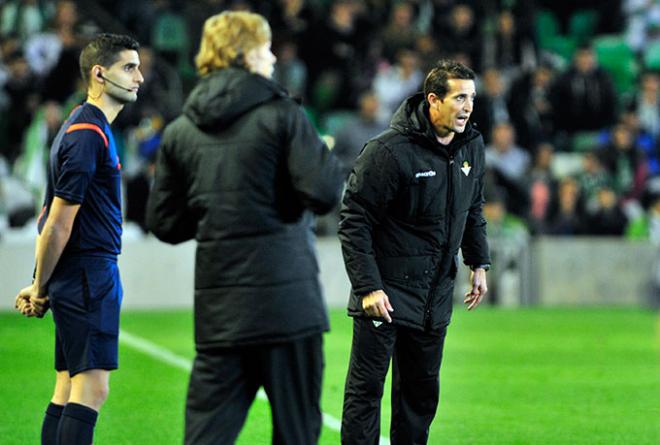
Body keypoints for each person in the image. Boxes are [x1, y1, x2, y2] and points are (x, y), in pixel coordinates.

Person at [145, 11, 343, 445]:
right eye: (265, 47)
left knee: (206, 436)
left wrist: (217, 210)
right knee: (296, 434)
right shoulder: (283, 115)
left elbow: (164, 223)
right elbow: (326, 192)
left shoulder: (180, 131)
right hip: (288, 307)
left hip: (222, 314)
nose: (272, 58)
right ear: (245, 53)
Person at [339, 59, 491, 444]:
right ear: (433, 100)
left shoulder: (472, 145)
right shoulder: (388, 152)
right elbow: (354, 220)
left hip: (433, 296)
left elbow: (473, 207)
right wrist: (368, 287)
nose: (468, 107)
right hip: (385, 295)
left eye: (471, 98)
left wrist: (478, 261)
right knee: (366, 393)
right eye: (459, 98)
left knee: (419, 398)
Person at [14, 33, 143, 445]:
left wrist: (43, 283)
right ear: (99, 74)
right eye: (129, 67)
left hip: (76, 273)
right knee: (91, 390)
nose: (139, 76)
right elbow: (57, 222)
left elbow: (50, 218)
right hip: (89, 273)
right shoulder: (89, 134)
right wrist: (38, 286)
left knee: (67, 387)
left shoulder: (79, 125)